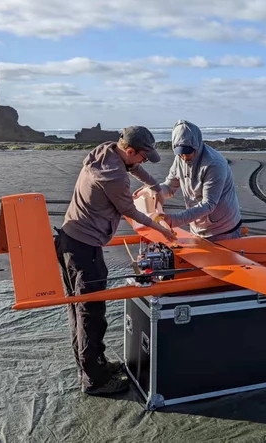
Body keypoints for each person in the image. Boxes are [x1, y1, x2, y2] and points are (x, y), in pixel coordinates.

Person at [54, 126, 176, 396]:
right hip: (84, 249)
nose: (144, 162)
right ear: (130, 150)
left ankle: (95, 365)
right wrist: (163, 230)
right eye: (144, 157)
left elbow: (134, 169)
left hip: (69, 241)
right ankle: (95, 381)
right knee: (90, 315)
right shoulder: (115, 178)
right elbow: (130, 210)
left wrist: (155, 187)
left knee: (81, 311)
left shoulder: (105, 151)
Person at [133, 119, 243, 242]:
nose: (184, 158)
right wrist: (154, 190)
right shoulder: (180, 158)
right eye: (180, 154)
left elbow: (209, 204)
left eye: (188, 153)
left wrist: (174, 220)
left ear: (196, 146)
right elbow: (169, 187)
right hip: (197, 228)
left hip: (223, 230)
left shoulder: (214, 165)